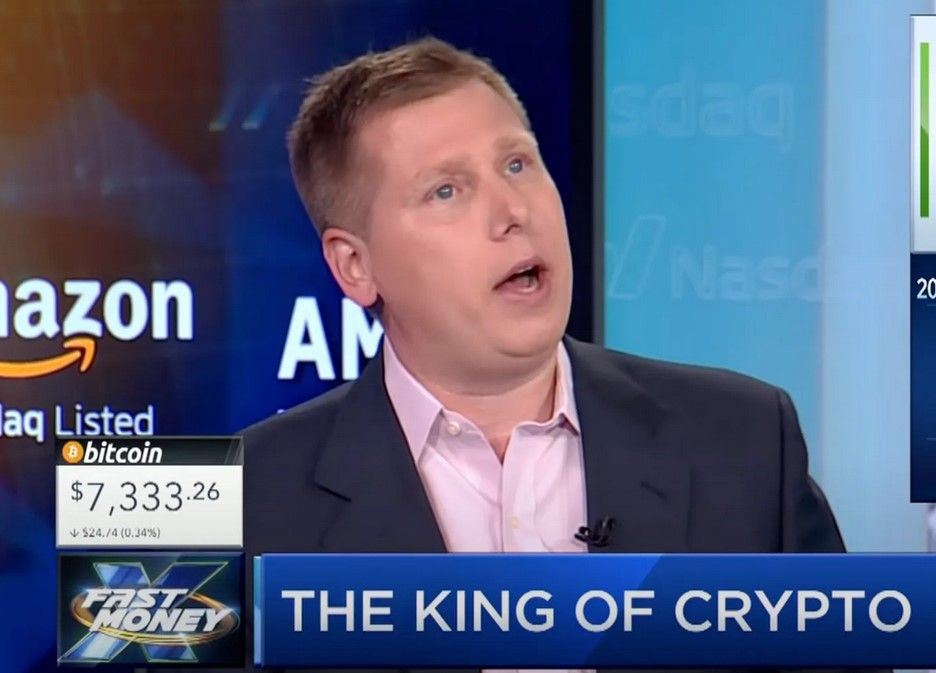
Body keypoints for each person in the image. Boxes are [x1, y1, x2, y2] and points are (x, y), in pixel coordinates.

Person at [242, 36, 852, 672]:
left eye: (517, 164)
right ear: (355, 265)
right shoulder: (245, 506)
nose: (512, 211)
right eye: (446, 191)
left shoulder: (744, 441)